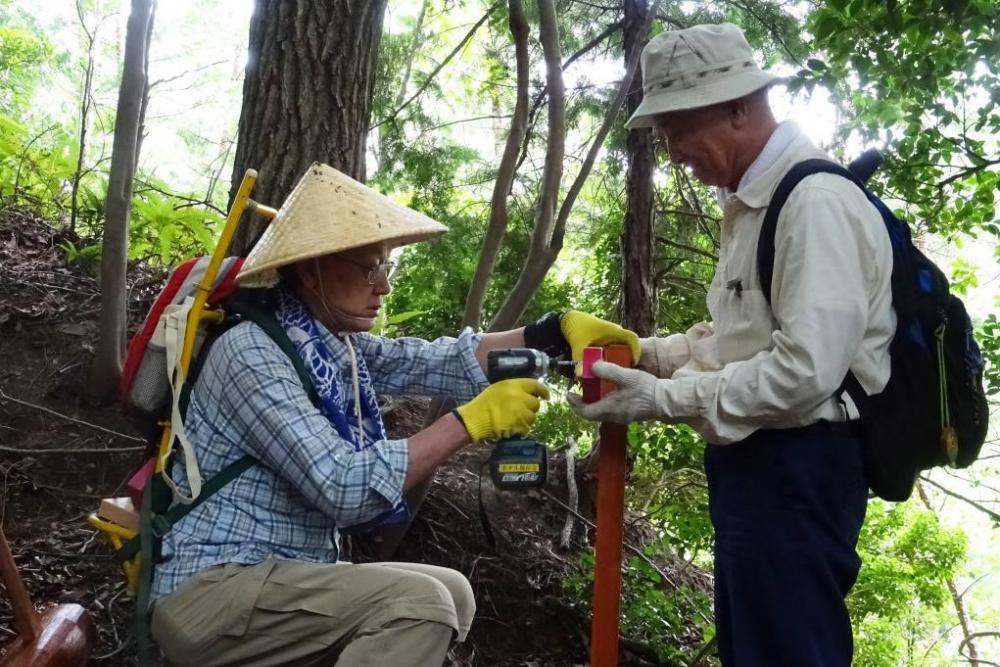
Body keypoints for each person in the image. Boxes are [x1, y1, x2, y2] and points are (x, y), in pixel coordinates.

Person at [149, 162, 638, 666]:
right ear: (310, 268)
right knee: (420, 606)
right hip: (213, 588)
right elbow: (342, 487)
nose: (382, 285)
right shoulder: (252, 353)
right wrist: (469, 423)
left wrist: (552, 331)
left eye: (387, 267)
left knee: (453, 592)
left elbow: (437, 360)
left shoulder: (331, 346)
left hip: (275, 577)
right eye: (368, 268)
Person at [570, 23, 894, 667]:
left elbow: (805, 373)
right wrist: (648, 353)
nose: (673, 151)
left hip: (801, 463)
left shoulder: (814, 202)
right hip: (761, 464)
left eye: (680, 129)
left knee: (785, 650)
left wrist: (663, 396)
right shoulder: (753, 202)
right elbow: (742, 341)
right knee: (755, 649)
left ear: (739, 108)